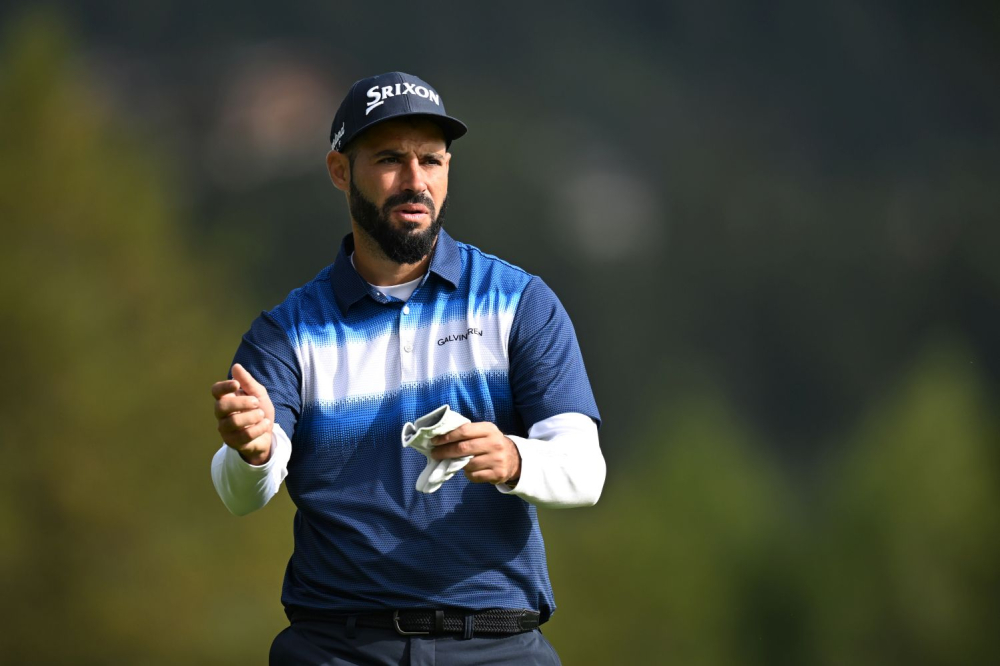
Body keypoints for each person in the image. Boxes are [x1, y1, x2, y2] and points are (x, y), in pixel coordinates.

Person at [210, 71, 606, 665]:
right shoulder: (289, 332)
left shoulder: (519, 301)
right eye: (390, 159)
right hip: (337, 648)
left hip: (497, 644)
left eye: (432, 160)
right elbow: (243, 493)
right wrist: (254, 449)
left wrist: (516, 458)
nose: (415, 180)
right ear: (340, 171)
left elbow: (584, 469)